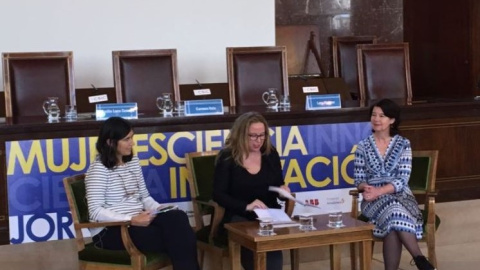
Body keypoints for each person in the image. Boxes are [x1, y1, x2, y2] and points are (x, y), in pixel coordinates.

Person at [85, 117, 200, 270]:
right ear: (110, 142)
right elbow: (95, 212)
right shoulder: (99, 169)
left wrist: (161, 209)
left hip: (140, 219)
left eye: (132, 137)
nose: (132, 143)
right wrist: (131, 219)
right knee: (181, 238)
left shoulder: (132, 161)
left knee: (178, 217)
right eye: (126, 139)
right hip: (112, 230)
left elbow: (144, 197)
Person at [354, 99, 436, 270]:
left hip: (402, 197)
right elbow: (359, 179)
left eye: (382, 116)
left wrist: (380, 191)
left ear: (392, 120)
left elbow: (402, 179)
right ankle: (420, 260)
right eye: (374, 115)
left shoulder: (403, 144)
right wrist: (365, 187)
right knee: (391, 209)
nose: (376, 119)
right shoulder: (362, 146)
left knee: (391, 222)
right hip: (373, 202)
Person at [213, 111, 291, 270]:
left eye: (262, 135)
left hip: (268, 217)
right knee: (257, 263)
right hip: (239, 217)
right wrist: (247, 206)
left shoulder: (270, 153)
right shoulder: (227, 157)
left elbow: (277, 184)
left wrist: (283, 192)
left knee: (273, 265)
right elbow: (218, 194)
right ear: (241, 135)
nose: (258, 141)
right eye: (253, 136)